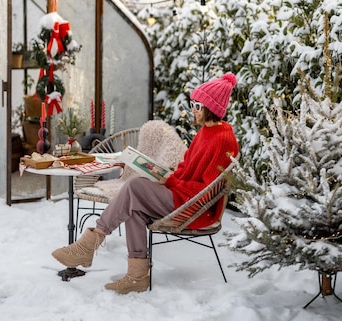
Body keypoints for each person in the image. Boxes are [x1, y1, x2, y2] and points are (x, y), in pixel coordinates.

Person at [51, 72, 239, 294]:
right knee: (134, 207)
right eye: (193, 104)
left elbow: (208, 192)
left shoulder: (223, 140)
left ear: (211, 108)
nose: (193, 109)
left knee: (134, 187)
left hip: (194, 207)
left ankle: (88, 244)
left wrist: (170, 181)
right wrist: (165, 174)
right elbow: (185, 167)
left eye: (198, 105)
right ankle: (137, 276)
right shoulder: (205, 132)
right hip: (181, 196)